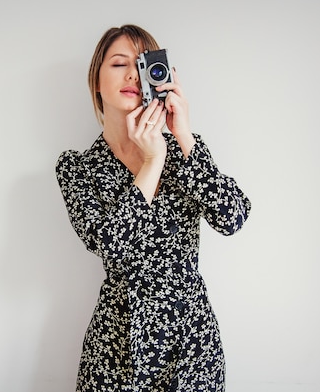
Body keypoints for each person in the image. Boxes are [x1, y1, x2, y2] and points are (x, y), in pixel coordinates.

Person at [55, 24, 251, 392]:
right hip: (119, 347)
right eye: (118, 64)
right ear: (96, 81)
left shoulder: (183, 148)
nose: (132, 74)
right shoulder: (77, 167)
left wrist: (184, 136)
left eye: (143, 64)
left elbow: (232, 217)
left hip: (192, 344)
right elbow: (110, 244)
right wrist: (151, 162)